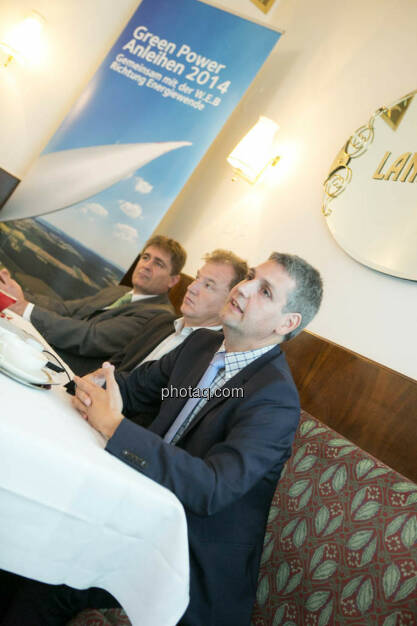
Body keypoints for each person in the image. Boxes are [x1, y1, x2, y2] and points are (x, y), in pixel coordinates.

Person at [0, 252, 323, 626]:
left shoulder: (275, 401)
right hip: (131, 510)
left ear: (287, 323)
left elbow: (212, 488)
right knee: (34, 530)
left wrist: (115, 427)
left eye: (264, 291)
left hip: (184, 561)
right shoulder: (202, 344)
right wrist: (97, 386)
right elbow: (132, 390)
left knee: (52, 574)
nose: (244, 288)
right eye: (250, 276)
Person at [0, 235, 186, 375]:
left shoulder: (158, 316)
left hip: (65, 374)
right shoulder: (119, 291)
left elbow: (89, 337)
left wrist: (24, 308)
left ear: (173, 280)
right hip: (43, 351)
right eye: (145, 257)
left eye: (159, 263)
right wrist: (20, 298)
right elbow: (66, 309)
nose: (146, 265)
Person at [110, 249, 248, 372]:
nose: (191, 288)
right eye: (197, 278)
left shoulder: (213, 356)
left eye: (207, 285)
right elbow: (116, 363)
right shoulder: (160, 321)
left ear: (230, 301)